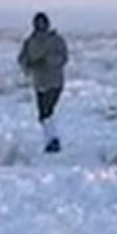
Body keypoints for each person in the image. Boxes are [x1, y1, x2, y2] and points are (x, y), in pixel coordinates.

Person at [18, 12, 69, 154]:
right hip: (39, 82)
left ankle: (53, 140)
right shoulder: (30, 41)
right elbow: (22, 59)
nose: (41, 25)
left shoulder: (56, 39)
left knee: (48, 110)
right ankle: (50, 141)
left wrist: (48, 61)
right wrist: (29, 65)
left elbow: (63, 57)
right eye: (38, 22)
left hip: (55, 82)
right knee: (42, 114)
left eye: (43, 22)